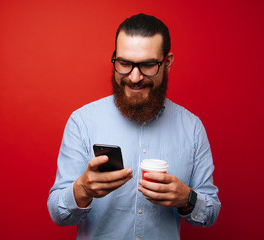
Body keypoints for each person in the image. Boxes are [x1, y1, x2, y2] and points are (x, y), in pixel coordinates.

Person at [47, 13, 221, 240]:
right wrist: (82, 189)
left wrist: (186, 198)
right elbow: (58, 214)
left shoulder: (192, 128)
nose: (135, 77)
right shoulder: (82, 122)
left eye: (148, 65)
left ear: (167, 63)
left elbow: (211, 213)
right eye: (125, 64)